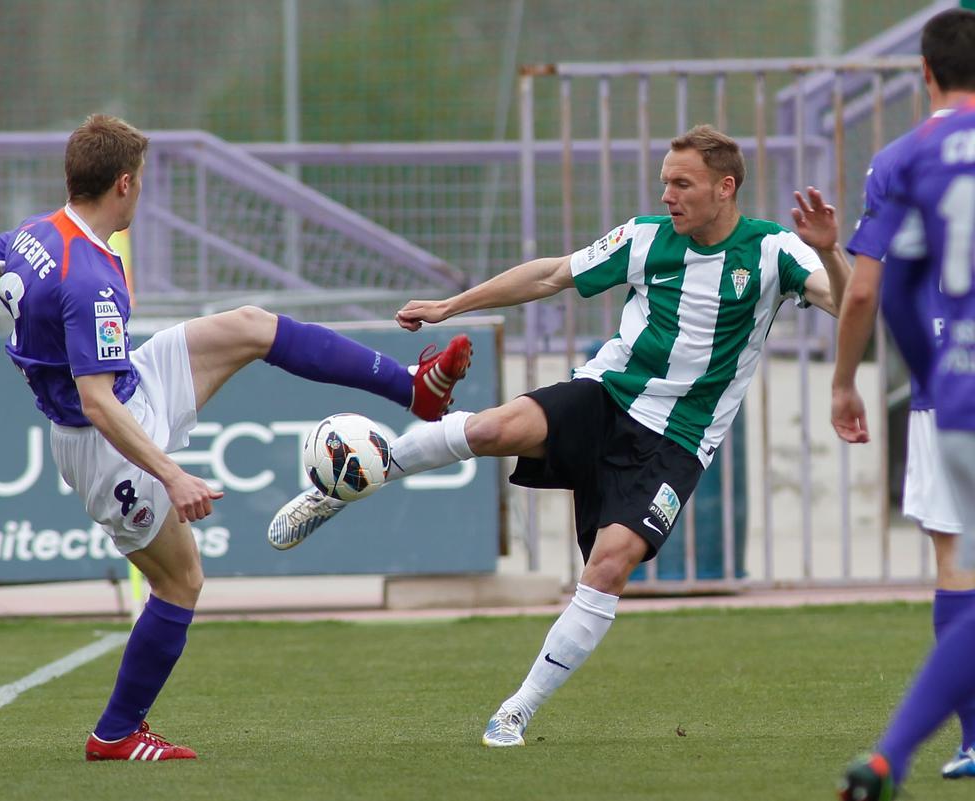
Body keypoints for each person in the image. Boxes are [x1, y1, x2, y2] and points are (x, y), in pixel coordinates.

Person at [0, 113, 473, 762]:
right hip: (103, 442)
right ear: (122, 183)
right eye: (140, 180)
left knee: (252, 325)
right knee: (182, 582)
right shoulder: (91, 280)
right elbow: (97, 401)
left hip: (130, 387)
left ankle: (414, 390)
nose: (142, 191)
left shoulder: (36, 233)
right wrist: (171, 472)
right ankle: (115, 732)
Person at [266, 125, 851, 745]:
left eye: (683, 184)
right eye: (665, 184)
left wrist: (834, 253)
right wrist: (449, 307)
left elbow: (847, 303)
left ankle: (516, 710)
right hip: (606, 395)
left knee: (609, 566)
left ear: (725, 188)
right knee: (494, 427)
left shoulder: (773, 251)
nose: (669, 196)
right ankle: (346, 486)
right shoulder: (647, 237)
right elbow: (551, 275)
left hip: (677, 441)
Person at [830, 8, 975, 786]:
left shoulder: (901, 156)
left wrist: (855, 380)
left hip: (952, 394)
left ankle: (965, 740)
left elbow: (869, 295)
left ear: (924, 72)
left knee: (958, 557)